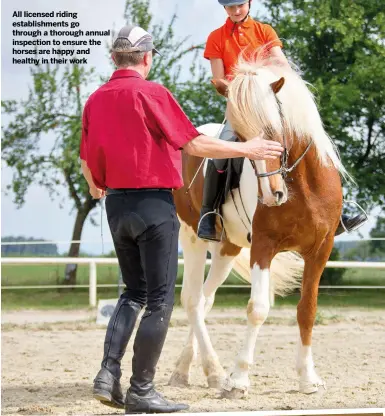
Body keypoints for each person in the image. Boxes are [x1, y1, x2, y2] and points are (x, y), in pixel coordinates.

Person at [80, 24, 284, 414]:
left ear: (113, 58)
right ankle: (141, 390)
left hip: (116, 206)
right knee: (159, 300)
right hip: (155, 206)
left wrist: (96, 188)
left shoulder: (95, 99)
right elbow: (194, 143)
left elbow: (86, 162)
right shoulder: (152, 93)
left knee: (131, 294)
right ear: (147, 58)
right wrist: (249, 148)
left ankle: (107, 375)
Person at [197, 0, 367, 241]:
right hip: (242, 110)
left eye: (240, 5)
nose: (236, 11)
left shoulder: (264, 31)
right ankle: (209, 213)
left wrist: (277, 71)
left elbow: (280, 62)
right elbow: (218, 80)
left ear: (249, 3)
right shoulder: (216, 37)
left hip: (272, 109)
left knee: (320, 143)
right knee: (218, 155)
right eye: (230, 7)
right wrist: (246, 88)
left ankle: (337, 212)